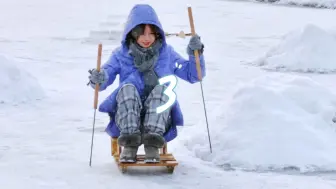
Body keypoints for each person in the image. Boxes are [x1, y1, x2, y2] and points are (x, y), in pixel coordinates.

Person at [88, 4, 206, 163]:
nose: (147, 38)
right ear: (132, 34)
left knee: (163, 90)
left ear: (158, 34)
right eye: (141, 33)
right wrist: (100, 78)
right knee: (127, 88)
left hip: (159, 120)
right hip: (127, 115)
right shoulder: (121, 55)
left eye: (151, 33)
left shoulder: (167, 54)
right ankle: (130, 145)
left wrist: (195, 55)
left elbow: (193, 75)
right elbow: (106, 75)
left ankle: (152, 145)